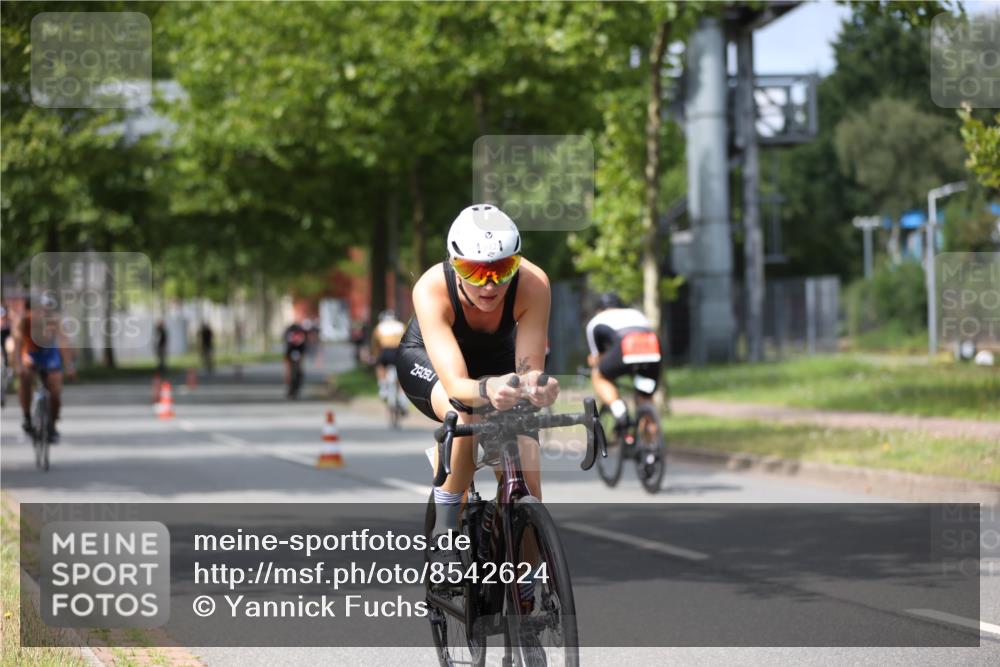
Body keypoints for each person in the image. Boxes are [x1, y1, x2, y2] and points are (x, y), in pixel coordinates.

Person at [396, 204, 559, 569]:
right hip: (431, 362)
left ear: (516, 262)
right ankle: (446, 527)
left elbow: (529, 370)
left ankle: (527, 588)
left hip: (497, 364)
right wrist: (487, 392)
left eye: (502, 269)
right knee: (465, 410)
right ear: (454, 263)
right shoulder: (431, 287)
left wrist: (538, 386)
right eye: (474, 269)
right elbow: (455, 382)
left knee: (529, 484)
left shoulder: (534, 284)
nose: (489, 284)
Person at [584, 292, 663, 429]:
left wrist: (594, 363)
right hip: (652, 351)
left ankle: (619, 409)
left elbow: (596, 357)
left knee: (598, 375)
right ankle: (652, 441)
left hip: (624, 348)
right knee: (645, 397)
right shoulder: (636, 313)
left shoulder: (595, 321)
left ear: (599, 309)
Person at [14, 294, 75, 442]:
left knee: (55, 390)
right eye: (39, 310)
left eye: (46, 310)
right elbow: (17, 345)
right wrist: (18, 365)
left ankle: (52, 426)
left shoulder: (55, 321)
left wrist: (69, 366)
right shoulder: (24, 321)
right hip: (31, 354)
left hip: (50, 355)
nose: (42, 314)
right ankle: (27, 417)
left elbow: (63, 343)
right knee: (25, 376)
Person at [371, 309, 405, 401]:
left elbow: (376, 344)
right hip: (398, 352)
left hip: (386, 351)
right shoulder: (401, 326)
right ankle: (402, 398)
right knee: (401, 375)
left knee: (379, 365)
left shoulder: (379, 327)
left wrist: (374, 355)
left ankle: (383, 386)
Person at [283, 320, 307, 398]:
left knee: (298, 370)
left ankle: (296, 384)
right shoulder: (290, 334)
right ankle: (290, 385)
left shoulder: (300, 334)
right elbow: (287, 346)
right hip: (290, 353)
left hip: (297, 353)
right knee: (289, 371)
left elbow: (303, 346)